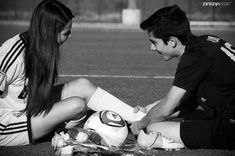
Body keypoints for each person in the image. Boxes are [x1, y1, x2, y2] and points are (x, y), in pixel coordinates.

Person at [0, 0, 145, 146]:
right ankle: (66, 134)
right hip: (9, 123)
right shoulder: (13, 54)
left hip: (30, 108)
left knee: (82, 85)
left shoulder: (41, 46)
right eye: (66, 33)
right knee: (77, 105)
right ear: (51, 32)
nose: (70, 36)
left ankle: (143, 120)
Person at [131, 4, 235, 150]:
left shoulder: (193, 58)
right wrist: (148, 109)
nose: (152, 48)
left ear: (172, 41)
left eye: (154, 42)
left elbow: (166, 108)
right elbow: (188, 100)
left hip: (230, 129)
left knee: (153, 128)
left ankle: (171, 144)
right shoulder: (207, 41)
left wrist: (141, 123)